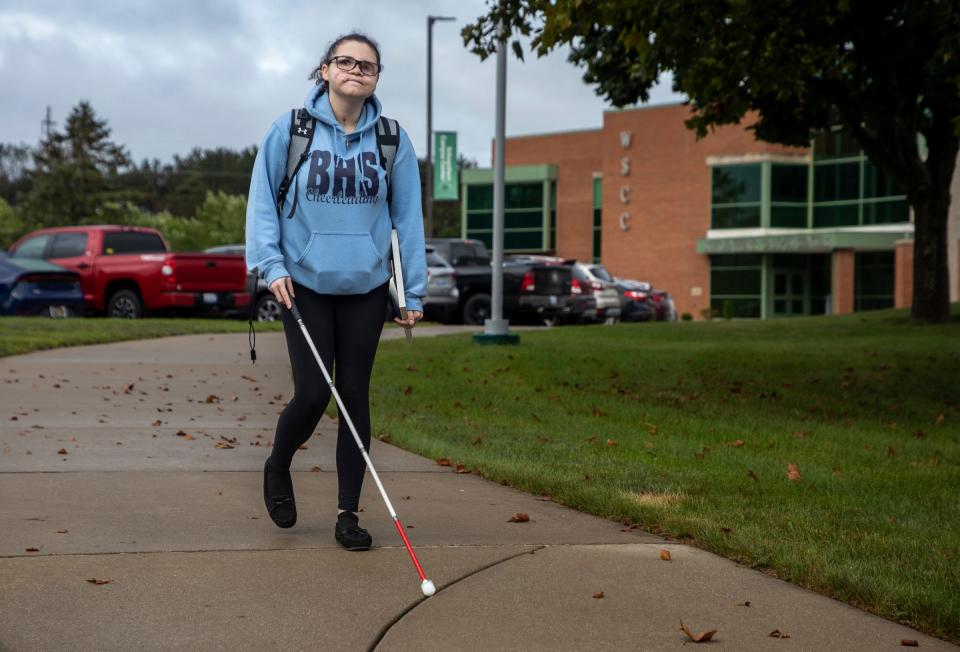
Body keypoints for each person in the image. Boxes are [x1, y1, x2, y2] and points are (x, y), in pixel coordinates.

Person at [245, 32, 426, 551]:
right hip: (302, 286)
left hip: (366, 287)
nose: (356, 70)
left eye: (367, 65)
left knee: (353, 397)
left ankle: (348, 513)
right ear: (324, 70)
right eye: (345, 61)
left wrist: (412, 290)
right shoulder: (291, 130)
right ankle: (278, 463)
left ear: (375, 79)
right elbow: (262, 205)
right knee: (313, 394)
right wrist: (271, 264)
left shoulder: (392, 140)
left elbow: (408, 220)